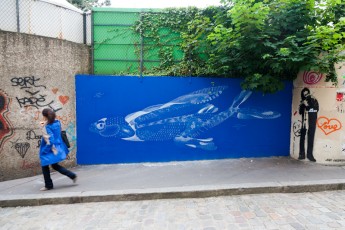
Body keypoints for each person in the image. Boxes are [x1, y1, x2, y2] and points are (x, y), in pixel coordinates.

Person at [38, 108, 77, 191]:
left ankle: (48, 185)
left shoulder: (47, 126)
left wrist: (44, 150)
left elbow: (50, 140)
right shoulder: (57, 122)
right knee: (55, 165)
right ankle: (72, 175)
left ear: (45, 117)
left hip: (50, 149)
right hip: (58, 147)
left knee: (45, 166)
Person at [298, 88, 318, 162]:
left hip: (311, 123)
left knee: (310, 138)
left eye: (307, 94)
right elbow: (300, 112)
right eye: (304, 94)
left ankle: (310, 155)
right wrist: (302, 105)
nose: (306, 95)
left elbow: (316, 109)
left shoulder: (313, 100)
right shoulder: (302, 101)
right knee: (302, 138)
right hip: (304, 123)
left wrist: (307, 105)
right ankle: (301, 154)